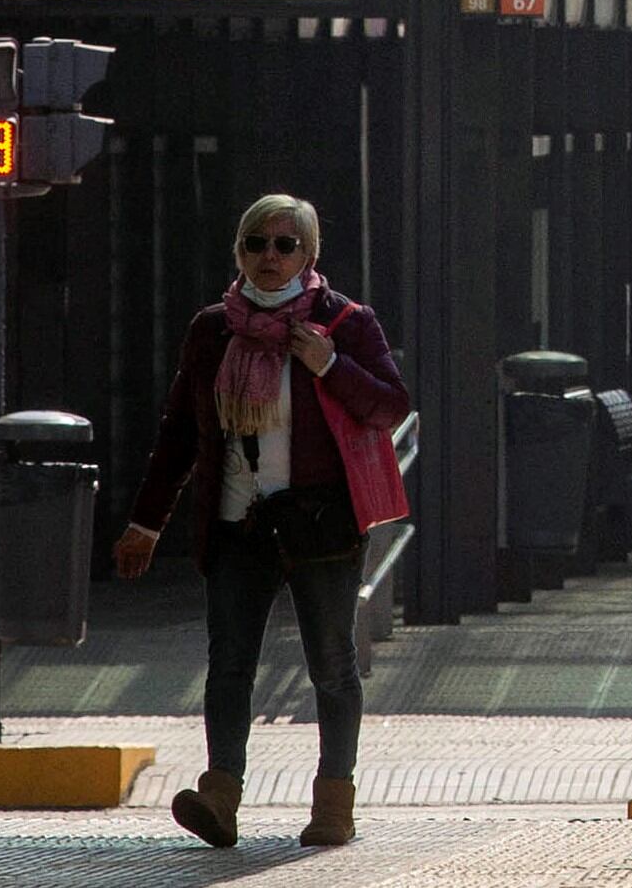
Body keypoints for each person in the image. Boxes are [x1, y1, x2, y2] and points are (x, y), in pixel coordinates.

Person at [110, 193, 411, 851]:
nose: (269, 257)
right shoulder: (213, 328)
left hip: (321, 521)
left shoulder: (344, 322)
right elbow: (181, 432)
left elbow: (390, 405)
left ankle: (334, 800)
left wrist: (327, 364)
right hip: (238, 520)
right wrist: (147, 522)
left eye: (285, 245)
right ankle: (220, 795)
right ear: (239, 253)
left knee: (331, 665)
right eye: (256, 244)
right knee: (229, 666)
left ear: (309, 255)